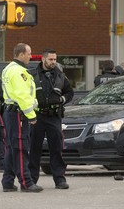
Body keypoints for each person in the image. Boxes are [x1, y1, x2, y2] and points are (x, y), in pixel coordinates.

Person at [28, 49, 74, 189]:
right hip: (37, 116)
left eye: (55, 59)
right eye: (51, 59)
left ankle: (60, 180)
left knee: (56, 149)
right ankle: (32, 180)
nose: (53, 62)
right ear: (43, 59)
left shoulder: (60, 75)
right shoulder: (32, 75)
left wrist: (63, 99)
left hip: (54, 117)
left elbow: (70, 92)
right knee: (34, 149)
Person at [1, 43, 43, 193]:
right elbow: (22, 95)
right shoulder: (19, 72)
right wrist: (31, 115)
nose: (30, 56)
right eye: (28, 53)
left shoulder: (9, 69)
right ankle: (26, 182)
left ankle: (7, 181)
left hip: (11, 112)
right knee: (20, 148)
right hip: (18, 114)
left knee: (12, 148)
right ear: (21, 54)